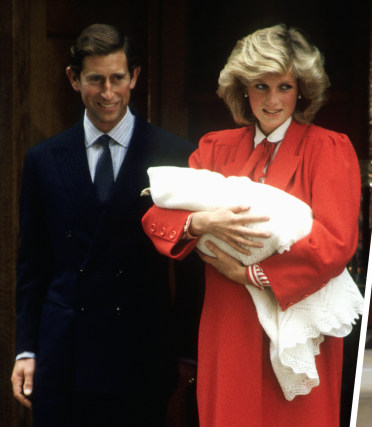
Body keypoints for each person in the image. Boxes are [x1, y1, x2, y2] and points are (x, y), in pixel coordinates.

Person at [140, 24, 360, 426]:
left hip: (298, 318)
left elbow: (336, 242)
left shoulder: (329, 148)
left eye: (284, 87)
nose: (272, 100)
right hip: (229, 323)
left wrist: (249, 273)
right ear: (243, 89)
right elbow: (157, 214)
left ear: (302, 90)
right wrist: (202, 221)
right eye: (260, 86)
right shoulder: (215, 148)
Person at [11, 24, 198, 427]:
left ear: (134, 76)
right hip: (64, 354)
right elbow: (33, 265)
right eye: (95, 80)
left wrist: (186, 351)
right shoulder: (43, 159)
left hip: (141, 348)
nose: (108, 92)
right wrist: (26, 350)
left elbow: (191, 267)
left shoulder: (175, 154)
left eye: (117, 78)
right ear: (73, 79)